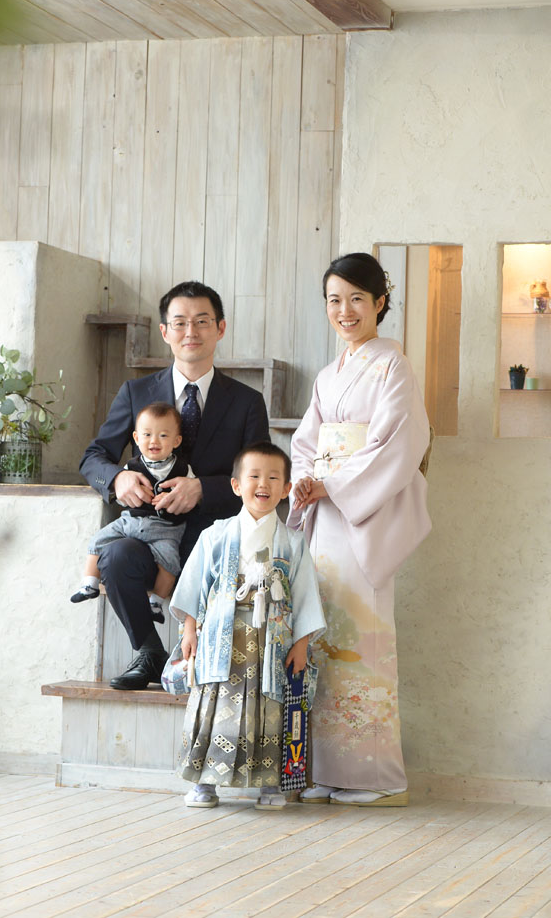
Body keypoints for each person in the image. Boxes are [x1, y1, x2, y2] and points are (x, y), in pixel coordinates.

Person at [288, 252, 431, 808]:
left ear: (379, 302)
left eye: (356, 299)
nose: (344, 310)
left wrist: (331, 484)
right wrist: (305, 481)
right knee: (322, 637)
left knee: (362, 640)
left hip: (360, 518)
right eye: (334, 300)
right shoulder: (329, 376)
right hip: (325, 517)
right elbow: (306, 443)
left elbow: (398, 443)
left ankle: (377, 777)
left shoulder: (393, 365)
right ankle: (328, 770)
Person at [80, 281, 270, 690]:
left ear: (220, 328)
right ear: (165, 331)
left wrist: (203, 488)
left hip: (215, 537)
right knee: (115, 554)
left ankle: (210, 666)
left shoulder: (247, 401)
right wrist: (118, 478)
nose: (190, 332)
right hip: (149, 538)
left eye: (202, 321)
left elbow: (260, 478)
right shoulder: (135, 392)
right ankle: (149, 652)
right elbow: (93, 457)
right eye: (180, 322)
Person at [170, 442, 325, 810]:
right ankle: (205, 783)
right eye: (254, 476)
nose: (263, 484)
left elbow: (305, 594)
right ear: (236, 485)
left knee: (271, 708)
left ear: (287, 489)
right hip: (221, 637)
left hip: (273, 641)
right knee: (213, 706)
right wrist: (190, 630)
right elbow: (195, 586)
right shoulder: (215, 535)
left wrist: (301, 644)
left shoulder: (293, 542)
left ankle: (270, 786)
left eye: (273, 477)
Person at [71, 402, 192, 624]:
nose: (154, 441)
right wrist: (123, 488)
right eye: (147, 435)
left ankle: (156, 602)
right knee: (98, 540)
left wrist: (173, 497)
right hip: (130, 523)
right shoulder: (131, 467)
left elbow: (189, 493)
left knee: (171, 562)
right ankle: (89, 583)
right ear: (136, 438)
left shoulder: (183, 468)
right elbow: (119, 493)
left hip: (165, 529)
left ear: (176, 441)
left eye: (163, 435)